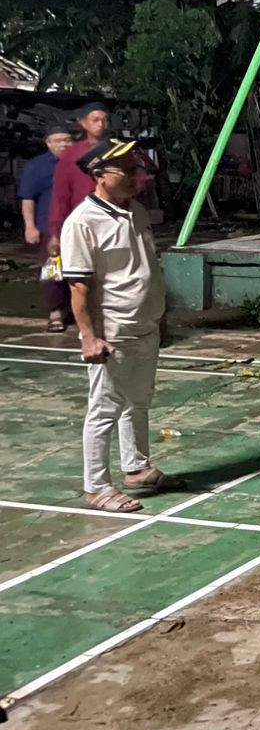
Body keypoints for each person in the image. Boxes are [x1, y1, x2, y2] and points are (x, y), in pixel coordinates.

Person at [59, 139, 182, 513]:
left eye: (136, 169)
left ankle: (137, 466)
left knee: (138, 401)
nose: (136, 177)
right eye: (126, 171)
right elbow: (79, 287)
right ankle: (96, 486)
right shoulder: (82, 223)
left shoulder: (136, 211)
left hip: (145, 324)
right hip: (113, 330)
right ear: (99, 176)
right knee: (105, 408)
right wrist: (89, 336)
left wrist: (159, 317)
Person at [17, 124, 77, 332]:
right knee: (52, 271)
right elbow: (27, 199)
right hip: (48, 226)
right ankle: (55, 314)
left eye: (67, 140)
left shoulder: (80, 162)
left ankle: (78, 310)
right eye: (58, 140)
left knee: (80, 270)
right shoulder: (36, 166)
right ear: (48, 143)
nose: (63, 144)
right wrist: (30, 226)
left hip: (78, 225)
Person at [47, 102, 112, 253]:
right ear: (83, 123)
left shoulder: (118, 150)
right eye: (95, 120)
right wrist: (56, 232)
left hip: (113, 219)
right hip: (81, 220)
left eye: (104, 120)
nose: (101, 124)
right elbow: (61, 194)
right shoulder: (72, 155)